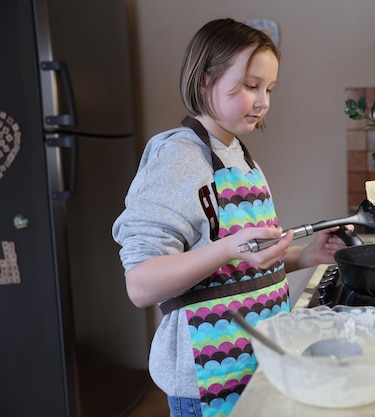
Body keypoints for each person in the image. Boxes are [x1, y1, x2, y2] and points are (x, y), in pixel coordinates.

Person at [112, 18, 350, 417]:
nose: (263, 101)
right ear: (205, 81)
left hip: (253, 365)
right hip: (206, 382)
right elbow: (140, 284)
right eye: (250, 86)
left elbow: (237, 265)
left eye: (269, 89)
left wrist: (307, 256)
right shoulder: (178, 157)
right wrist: (227, 248)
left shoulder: (238, 154)